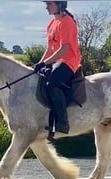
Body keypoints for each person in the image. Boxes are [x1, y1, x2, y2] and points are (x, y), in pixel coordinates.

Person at [34, 1, 81, 134]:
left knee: (52, 84)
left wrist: (45, 63)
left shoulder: (67, 22)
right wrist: (39, 64)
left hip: (69, 60)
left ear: (59, 5)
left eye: (49, 4)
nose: (46, 6)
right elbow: (50, 49)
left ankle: (62, 123)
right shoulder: (51, 24)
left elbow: (64, 49)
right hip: (56, 60)